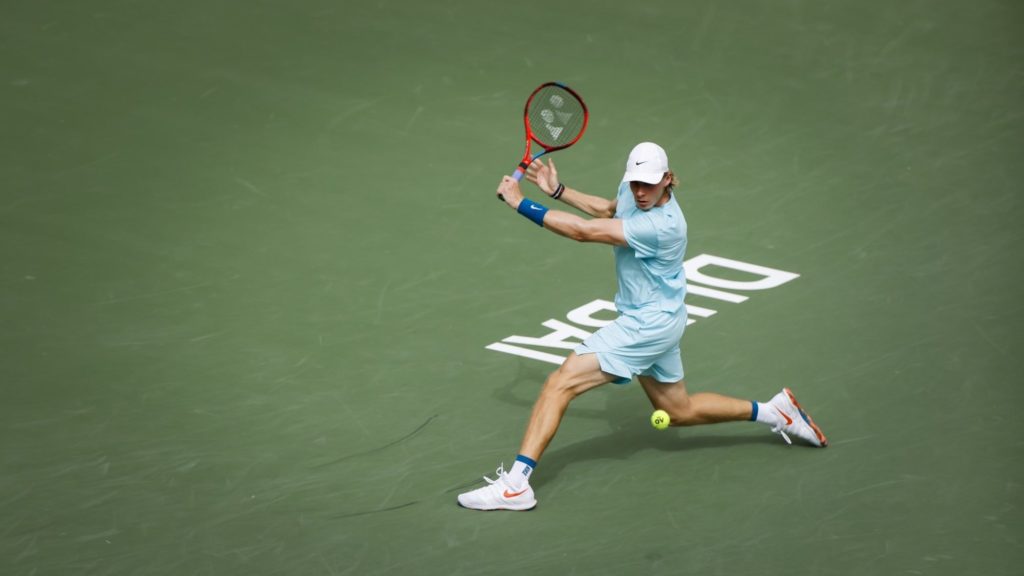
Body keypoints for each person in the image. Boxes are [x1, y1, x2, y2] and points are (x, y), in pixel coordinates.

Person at [457, 142, 828, 511]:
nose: (639, 191)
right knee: (679, 410)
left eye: (649, 185)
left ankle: (516, 485)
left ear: (668, 179)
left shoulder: (664, 226)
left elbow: (587, 231)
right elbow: (608, 210)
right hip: (664, 318)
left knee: (560, 383)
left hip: (646, 324)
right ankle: (776, 412)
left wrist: (521, 202)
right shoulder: (635, 190)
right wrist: (559, 191)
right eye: (635, 183)